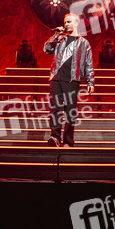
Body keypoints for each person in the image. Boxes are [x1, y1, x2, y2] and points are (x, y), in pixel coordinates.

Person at [44, 13, 95, 147]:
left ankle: (68, 140)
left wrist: (90, 81)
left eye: (69, 22)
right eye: (65, 22)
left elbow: (88, 63)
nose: (66, 24)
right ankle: (55, 137)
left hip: (72, 80)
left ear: (76, 23)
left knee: (70, 111)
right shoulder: (59, 39)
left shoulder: (84, 43)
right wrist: (56, 35)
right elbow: (47, 49)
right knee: (55, 109)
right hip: (56, 78)